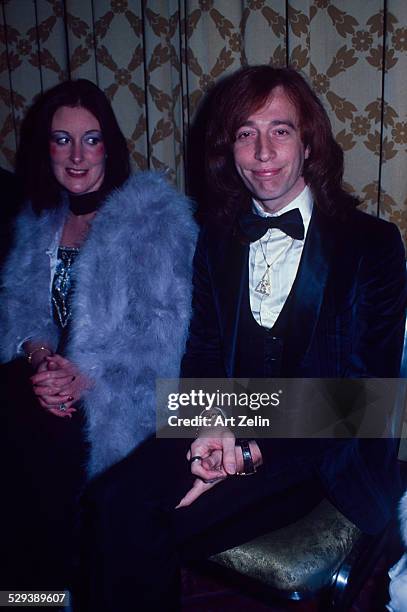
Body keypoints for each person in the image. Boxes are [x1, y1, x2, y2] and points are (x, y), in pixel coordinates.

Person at [75, 66, 406, 611]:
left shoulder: (372, 244)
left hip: (321, 448)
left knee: (137, 522)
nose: (263, 150)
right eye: (245, 133)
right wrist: (211, 425)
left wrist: (247, 453)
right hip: (226, 414)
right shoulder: (216, 237)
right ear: (229, 150)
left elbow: (365, 396)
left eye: (281, 130)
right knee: (108, 499)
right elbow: (202, 351)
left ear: (309, 144)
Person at [0, 79, 196, 590]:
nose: (77, 155)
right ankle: (28, 597)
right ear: (46, 149)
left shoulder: (153, 217)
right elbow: (19, 306)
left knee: (43, 452)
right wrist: (41, 357)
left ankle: (54, 591)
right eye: (61, 139)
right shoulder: (40, 218)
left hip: (123, 396)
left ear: (110, 143)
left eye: (91, 138)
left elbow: (164, 338)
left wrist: (83, 376)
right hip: (51, 381)